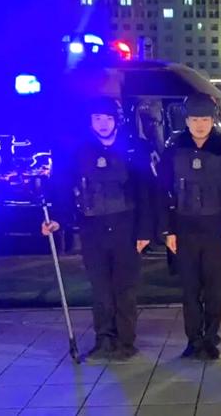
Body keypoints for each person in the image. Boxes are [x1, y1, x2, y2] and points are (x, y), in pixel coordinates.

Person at [42, 97, 155, 361]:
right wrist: (58, 219)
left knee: (125, 289)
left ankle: (125, 341)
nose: (103, 124)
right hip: (93, 228)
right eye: (97, 118)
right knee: (100, 288)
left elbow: (147, 194)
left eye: (107, 118)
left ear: (117, 120)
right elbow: (64, 189)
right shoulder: (79, 152)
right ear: (90, 122)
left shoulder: (133, 150)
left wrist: (145, 232)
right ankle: (104, 339)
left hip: (126, 227)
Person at [158, 93, 221, 360]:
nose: (200, 125)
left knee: (214, 288)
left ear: (212, 121)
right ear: (187, 121)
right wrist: (168, 230)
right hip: (184, 226)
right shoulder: (174, 148)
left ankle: (210, 338)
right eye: (194, 119)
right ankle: (193, 339)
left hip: (215, 226)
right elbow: (161, 191)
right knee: (190, 289)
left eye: (205, 119)